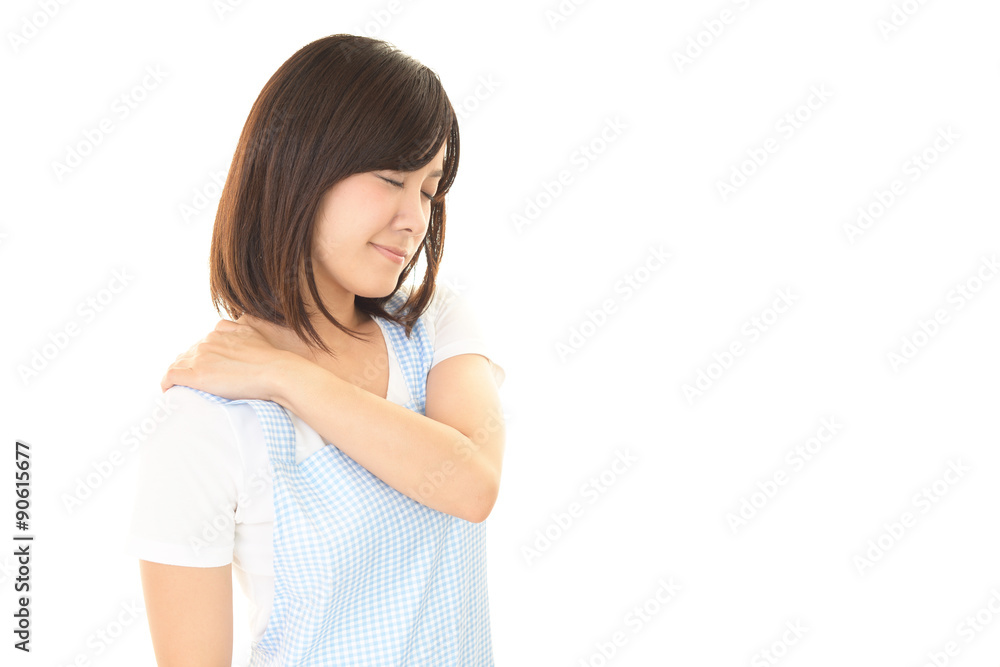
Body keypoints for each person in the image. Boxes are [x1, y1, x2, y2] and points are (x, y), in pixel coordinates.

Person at [125, 33, 506, 666]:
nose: (416, 218)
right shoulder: (205, 423)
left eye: (429, 190)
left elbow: (471, 486)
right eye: (392, 179)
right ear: (299, 168)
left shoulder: (434, 326)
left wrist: (286, 375)